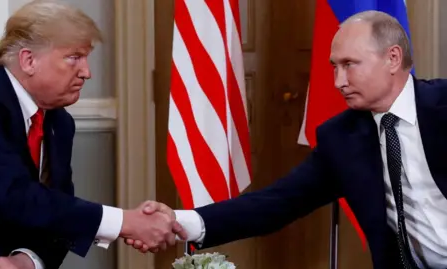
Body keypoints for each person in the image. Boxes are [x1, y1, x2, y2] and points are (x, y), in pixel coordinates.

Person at [132, 10, 447, 269]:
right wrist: (180, 220)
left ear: (393, 58)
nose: (338, 81)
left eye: (349, 65)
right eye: (334, 67)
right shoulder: (342, 138)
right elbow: (276, 203)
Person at [0, 1, 186, 269]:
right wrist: (125, 222)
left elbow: (57, 214)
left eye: (86, 58)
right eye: (74, 57)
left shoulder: (59, 122)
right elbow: (12, 195)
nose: (87, 72)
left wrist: (28, 261)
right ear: (28, 60)